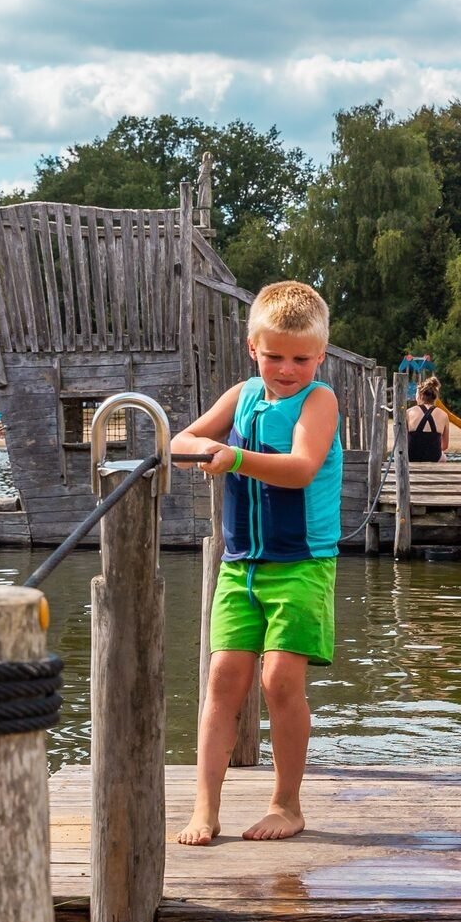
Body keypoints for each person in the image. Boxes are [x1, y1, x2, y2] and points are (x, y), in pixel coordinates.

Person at [170, 281, 345, 845]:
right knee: (222, 679)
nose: (286, 369)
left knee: (279, 679)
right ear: (253, 348)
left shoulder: (319, 401)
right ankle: (206, 807)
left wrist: (235, 458)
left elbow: (300, 466)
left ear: (320, 355)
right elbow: (179, 441)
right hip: (239, 564)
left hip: (301, 564)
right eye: (274, 356)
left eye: (300, 358)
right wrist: (207, 451)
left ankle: (286, 803)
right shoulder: (242, 394)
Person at [405, 376, 446, 462]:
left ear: (420, 395)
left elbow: (403, 440)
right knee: (444, 457)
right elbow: (445, 445)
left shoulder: (409, 412)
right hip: (434, 457)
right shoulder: (444, 415)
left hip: (412, 456)